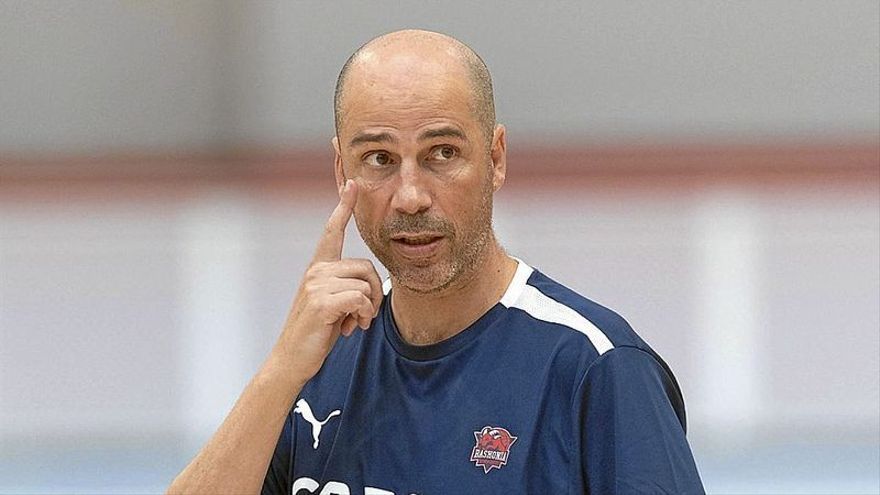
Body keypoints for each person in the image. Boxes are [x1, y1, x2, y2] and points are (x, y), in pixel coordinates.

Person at [167, 29, 704, 494]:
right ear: (340, 170)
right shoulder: (316, 367)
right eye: (378, 159)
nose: (410, 197)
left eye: (442, 154)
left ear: (495, 158)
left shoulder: (596, 367)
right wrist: (281, 371)